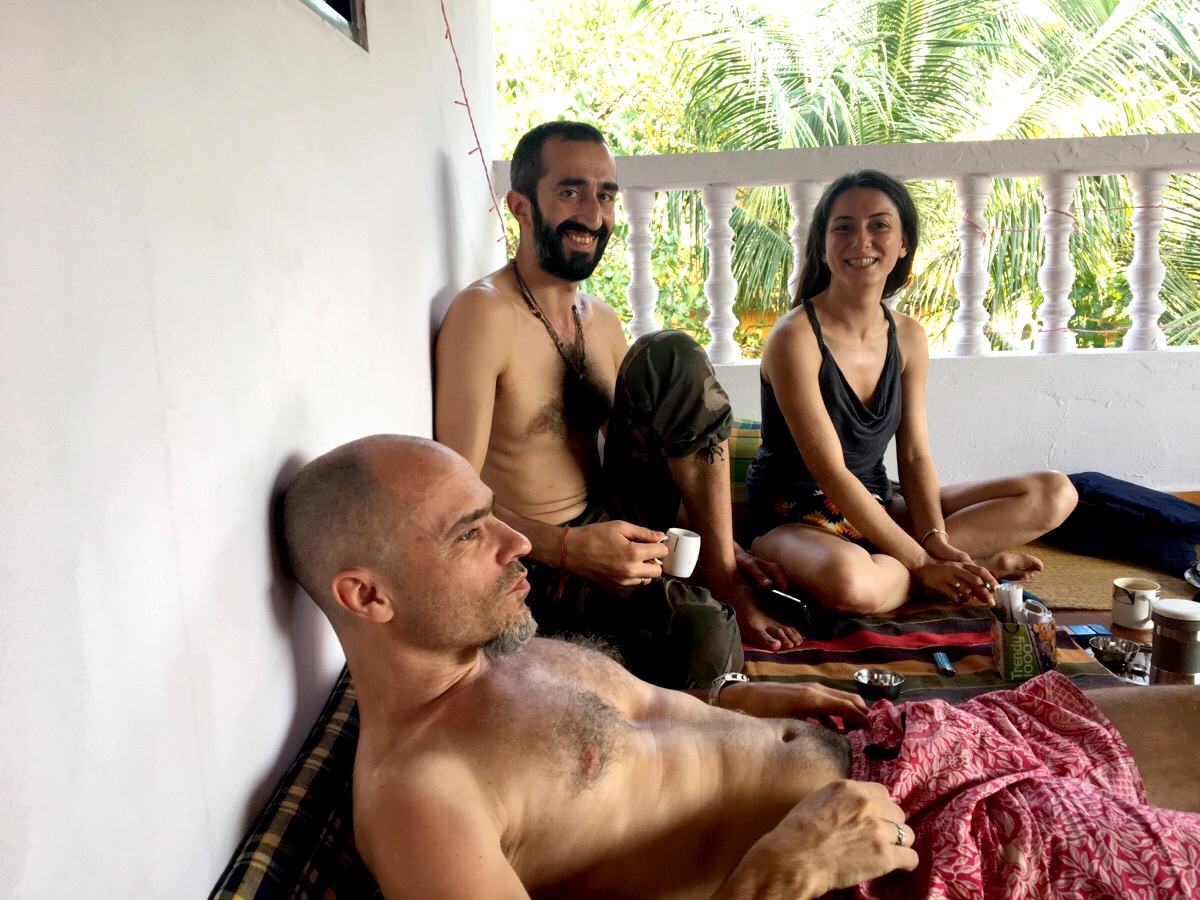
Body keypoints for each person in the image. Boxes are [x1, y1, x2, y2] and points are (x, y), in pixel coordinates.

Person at [281, 434, 1200, 899]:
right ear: (368, 596)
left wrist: (739, 695)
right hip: (901, 848)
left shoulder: (500, 653)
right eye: (470, 533)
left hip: (905, 742)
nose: (519, 541)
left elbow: (645, 728)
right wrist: (785, 870)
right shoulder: (420, 797)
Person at [435, 120, 802, 689]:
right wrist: (569, 549)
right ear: (521, 206)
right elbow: (454, 497)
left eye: (605, 195)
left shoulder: (600, 320)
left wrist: (721, 546)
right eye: (570, 191)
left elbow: (666, 452)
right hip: (536, 559)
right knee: (701, 634)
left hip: (609, 520)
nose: (593, 214)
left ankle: (721, 572)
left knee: (670, 354)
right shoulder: (483, 315)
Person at [746, 170, 1078, 615]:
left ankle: (921, 567)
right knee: (853, 585)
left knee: (1055, 492)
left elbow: (916, 456)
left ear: (903, 243)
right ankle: (951, 569)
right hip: (795, 517)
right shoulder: (795, 338)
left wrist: (934, 539)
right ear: (823, 247)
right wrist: (921, 561)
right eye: (843, 227)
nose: (861, 241)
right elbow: (831, 473)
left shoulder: (908, 336)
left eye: (879, 225)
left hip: (877, 505)